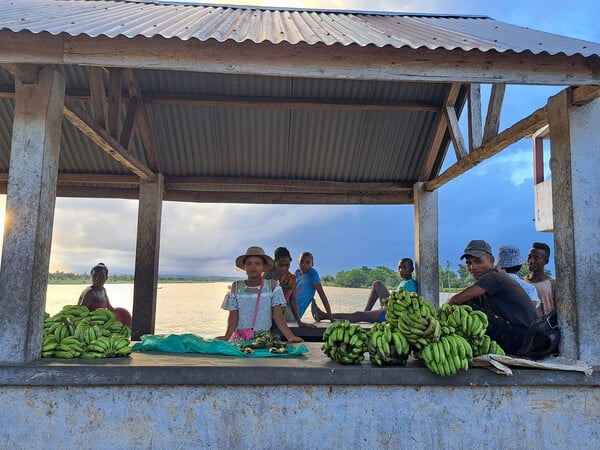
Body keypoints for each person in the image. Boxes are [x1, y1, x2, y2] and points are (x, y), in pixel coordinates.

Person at [446, 240, 538, 356]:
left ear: (491, 261)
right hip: (525, 338)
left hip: (522, 339)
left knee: (466, 304)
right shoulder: (494, 277)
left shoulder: (493, 277)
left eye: (478, 261)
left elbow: (455, 300)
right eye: (468, 263)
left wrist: (440, 316)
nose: (472, 267)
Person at [216, 246, 303, 343]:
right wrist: (226, 336)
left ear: (263, 267)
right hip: (239, 340)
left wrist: (290, 337)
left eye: (257, 264)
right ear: (244, 267)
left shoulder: (272, 285)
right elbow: (233, 316)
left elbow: (277, 315)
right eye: (249, 264)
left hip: (263, 340)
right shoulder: (236, 287)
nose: (253, 267)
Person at [312, 257, 417, 323]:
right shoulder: (403, 282)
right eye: (399, 267)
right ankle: (366, 313)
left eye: (404, 268)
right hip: (389, 306)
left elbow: (405, 306)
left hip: (391, 314)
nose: (401, 270)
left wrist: (386, 307)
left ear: (412, 270)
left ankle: (325, 316)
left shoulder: (410, 285)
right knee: (377, 284)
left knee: (357, 315)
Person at [264, 247, 316, 329]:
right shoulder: (266, 274)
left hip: (280, 315)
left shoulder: (291, 278)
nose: (284, 268)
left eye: (287, 265)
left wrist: (299, 321)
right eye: (281, 265)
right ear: (275, 262)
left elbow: (293, 300)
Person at [78, 263, 132, 327]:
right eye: (94, 276)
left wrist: (123, 316)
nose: (97, 279)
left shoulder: (103, 290)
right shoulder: (90, 292)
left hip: (101, 323)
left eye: (101, 276)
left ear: (106, 278)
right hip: (90, 325)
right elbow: (81, 313)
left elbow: (110, 308)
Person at [295, 251, 334, 322]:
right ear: (298, 262)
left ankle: (327, 316)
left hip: (295, 313)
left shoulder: (312, 273)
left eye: (308, 262)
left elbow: (322, 295)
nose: (304, 264)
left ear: (312, 264)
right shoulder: (297, 273)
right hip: (287, 307)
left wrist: (331, 318)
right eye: (302, 261)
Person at [496, 245, 540, 309]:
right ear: (520, 266)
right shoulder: (530, 288)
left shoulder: (493, 283)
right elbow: (531, 310)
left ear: (501, 266)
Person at [523, 242, 555, 316]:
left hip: (545, 326)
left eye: (536, 258)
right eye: (529, 256)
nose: (531, 261)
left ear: (546, 262)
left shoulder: (553, 284)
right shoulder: (521, 282)